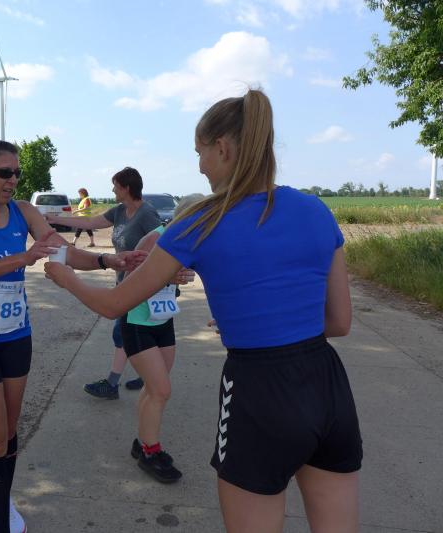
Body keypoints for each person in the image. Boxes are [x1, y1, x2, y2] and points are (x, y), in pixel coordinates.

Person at [45, 89, 362, 532]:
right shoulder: (315, 209)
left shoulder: (200, 220)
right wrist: (265, 323)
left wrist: (66, 277)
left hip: (259, 388)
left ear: (223, 148)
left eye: (199, 153)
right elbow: (340, 322)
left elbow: (114, 303)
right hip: (328, 385)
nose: (199, 166)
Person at [0, 140, 144, 533]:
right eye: (5, 172)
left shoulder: (24, 211)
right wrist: (23, 257)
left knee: (9, 432)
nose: (13, 180)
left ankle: (2, 497)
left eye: (17, 173)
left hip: (16, 335)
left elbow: (61, 251)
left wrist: (108, 260)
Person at [47, 167, 162, 399]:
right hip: (123, 281)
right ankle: (148, 373)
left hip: (141, 285)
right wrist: (54, 219)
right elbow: (91, 222)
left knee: (124, 333)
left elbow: (162, 246)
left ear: (127, 188)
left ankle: (113, 383)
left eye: (115, 186)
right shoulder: (119, 211)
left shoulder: (147, 213)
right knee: (136, 332)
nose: (112, 190)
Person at [124, 195, 202, 484]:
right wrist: (169, 278)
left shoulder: (188, 239)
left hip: (163, 319)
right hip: (137, 321)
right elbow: (130, 276)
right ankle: (150, 452)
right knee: (161, 390)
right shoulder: (156, 237)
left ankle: (142, 441)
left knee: (154, 388)